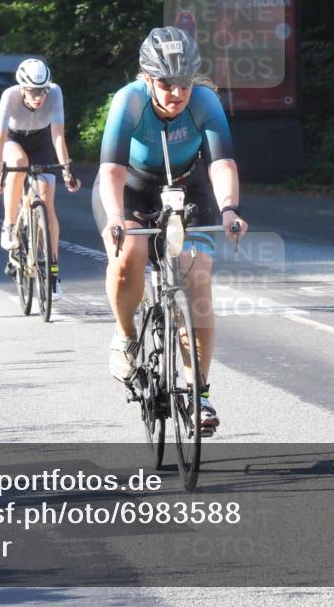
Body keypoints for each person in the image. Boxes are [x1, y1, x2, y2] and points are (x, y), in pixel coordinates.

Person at [92, 26, 248, 435]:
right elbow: (111, 169)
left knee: (197, 273)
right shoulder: (128, 100)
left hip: (186, 186)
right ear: (147, 77)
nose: (175, 93)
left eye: (183, 83)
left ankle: (199, 393)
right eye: (165, 83)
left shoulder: (205, 101)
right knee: (132, 255)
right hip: (132, 189)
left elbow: (221, 164)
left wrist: (230, 208)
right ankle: (126, 337)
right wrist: (114, 218)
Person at [0, 59, 80, 299]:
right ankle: (9, 225)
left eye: (42, 90)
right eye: (32, 91)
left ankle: (52, 274)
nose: (38, 97)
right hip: (12, 139)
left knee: (47, 193)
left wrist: (67, 170)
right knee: (18, 165)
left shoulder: (55, 92)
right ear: (22, 88)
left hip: (40, 141)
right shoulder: (9, 96)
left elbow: (58, 137)